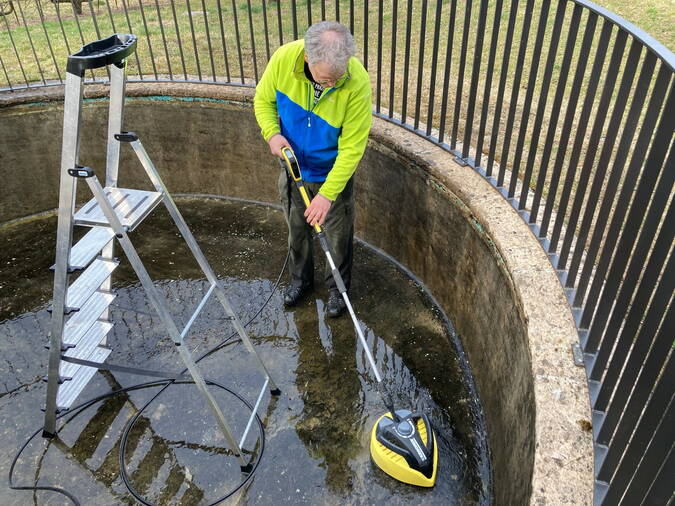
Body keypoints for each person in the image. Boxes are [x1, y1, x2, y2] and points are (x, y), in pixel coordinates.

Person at [254, 21, 372, 317]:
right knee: (297, 230)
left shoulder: (356, 81)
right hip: (293, 167)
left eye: (337, 78)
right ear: (308, 58)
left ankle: (338, 291)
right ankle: (300, 281)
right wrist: (272, 134)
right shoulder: (284, 59)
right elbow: (263, 100)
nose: (332, 84)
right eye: (325, 79)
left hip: (332, 172)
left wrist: (328, 194)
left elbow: (352, 148)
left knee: (337, 235)